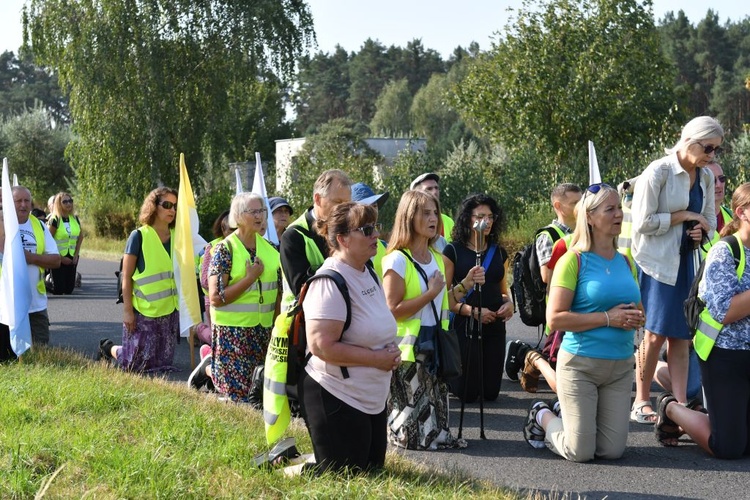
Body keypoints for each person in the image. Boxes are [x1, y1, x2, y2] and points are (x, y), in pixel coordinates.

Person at [523, 183, 644, 462]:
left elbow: (640, 310)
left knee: (611, 452)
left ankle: (573, 420)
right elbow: (554, 319)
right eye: (610, 209)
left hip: (620, 368)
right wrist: (608, 318)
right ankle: (541, 414)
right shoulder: (571, 260)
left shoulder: (627, 262)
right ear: (589, 217)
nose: (618, 215)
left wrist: (636, 317)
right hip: (581, 367)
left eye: (619, 208)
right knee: (580, 452)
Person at [630, 116, 721, 424]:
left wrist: (700, 231)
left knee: (682, 337)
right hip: (658, 264)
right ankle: (641, 400)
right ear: (690, 140)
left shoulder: (706, 176)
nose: (711, 156)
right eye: (708, 148)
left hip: (687, 264)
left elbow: (708, 218)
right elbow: (642, 222)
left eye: (716, 150)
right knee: (654, 335)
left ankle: (679, 406)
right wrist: (683, 215)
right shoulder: (659, 171)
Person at [299, 201, 399, 473]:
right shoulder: (328, 282)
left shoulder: (368, 272)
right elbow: (322, 346)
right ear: (342, 239)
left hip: (370, 398)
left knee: (372, 470)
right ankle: (287, 465)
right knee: (344, 475)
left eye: (375, 227)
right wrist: (377, 358)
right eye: (366, 230)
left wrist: (387, 352)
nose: (376, 235)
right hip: (335, 393)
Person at [654, 182, 750, 457]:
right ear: (742, 213)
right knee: (729, 448)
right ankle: (671, 408)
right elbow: (725, 311)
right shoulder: (726, 251)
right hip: (725, 355)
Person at [383, 190, 464, 450]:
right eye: (425, 213)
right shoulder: (397, 259)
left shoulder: (437, 259)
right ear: (409, 217)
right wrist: (430, 292)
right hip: (409, 348)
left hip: (435, 343)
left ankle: (436, 433)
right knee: (412, 436)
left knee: (436, 421)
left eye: (434, 213)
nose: (433, 219)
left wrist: (465, 286)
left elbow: (443, 301)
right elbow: (392, 309)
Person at [188, 193, 281, 401]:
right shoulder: (224, 249)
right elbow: (216, 297)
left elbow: (277, 293)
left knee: (259, 392)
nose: (260, 216)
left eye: (262, 211)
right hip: (233, 334)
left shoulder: (272, 250)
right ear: (238, 216)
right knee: (236, 395)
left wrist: (277, 325)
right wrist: (249, 279)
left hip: (263, 332)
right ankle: (211, 371)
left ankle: (210, 370)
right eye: (253, 211)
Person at [505, 183, 582, 390]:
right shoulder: (549, 235)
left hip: (579, 306)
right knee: (555, 363)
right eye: (575, 203)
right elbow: (546, 275)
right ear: (558, 205)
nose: (580, 206)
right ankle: (523, 353)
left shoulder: (584, 231)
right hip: (558, 308)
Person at [99, 187, 179, 373]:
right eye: (167, 205)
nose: (172, 210)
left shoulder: (179, 237)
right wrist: (128, 311)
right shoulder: (139, 236)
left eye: (175, 206)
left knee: (162, 365)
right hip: (144, 310)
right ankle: (108, 348)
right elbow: (125, 276)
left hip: (169, 310)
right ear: (153, 206)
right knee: (134, 365)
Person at [443, 193, 513, 402]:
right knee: (467, 394)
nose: (487, 222)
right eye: (480, 216)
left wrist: (509, 304)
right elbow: (446, 299)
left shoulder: (498, 252)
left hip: (495, 325)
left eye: (491, 217)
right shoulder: (453, 251)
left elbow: (503, 291)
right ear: (468, 219)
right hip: (466, 324)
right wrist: (473, 312)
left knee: (490, 394)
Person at [279, 169, 352, 311]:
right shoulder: (293, 235)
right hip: (302, 325)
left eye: (347, 203)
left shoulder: (350, 229)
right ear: (317, 199)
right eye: (337, 202)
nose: (343, 209)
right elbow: (302, 289)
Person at [13, 186, 61, 346]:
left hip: (36, 305)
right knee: (9, 357)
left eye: (26, 200)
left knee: (41, 351)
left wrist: (31, 257)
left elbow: (56, 260)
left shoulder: (39, 226)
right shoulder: (2, 225)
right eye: (18, 201)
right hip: (8, 305)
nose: (23, 205)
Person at [193, 210, 231, 346]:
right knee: (217, 340)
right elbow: (204, 280)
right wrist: (224, 286)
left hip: (234, 301)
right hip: (213, 300)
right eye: (231, 229)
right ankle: (199, 330)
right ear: (223, 229)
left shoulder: (242, 246)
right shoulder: (212, 247)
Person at [46, 192, 83, 295]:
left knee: (68, 290)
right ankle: (47, 281)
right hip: (58, 258)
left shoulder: (75, 219)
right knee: (59, 290)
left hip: (72, 257)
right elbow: (48, 239)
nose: (68, 204)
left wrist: (76, 255)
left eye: (70, 201)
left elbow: (80, 236)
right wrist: (61, 258)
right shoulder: (55, 219)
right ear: (59, 204)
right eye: (65, 201)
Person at [350, 182, 389, 276]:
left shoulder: (385, 247)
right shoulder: (344, 252)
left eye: (375, 206)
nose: (373, 211)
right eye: (367, 206)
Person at [410, 172, 454, 251]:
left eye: (436, 188)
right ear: (416, 194)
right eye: (429, 189)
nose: (435, 192)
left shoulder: (448, 221)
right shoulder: (409, 222)